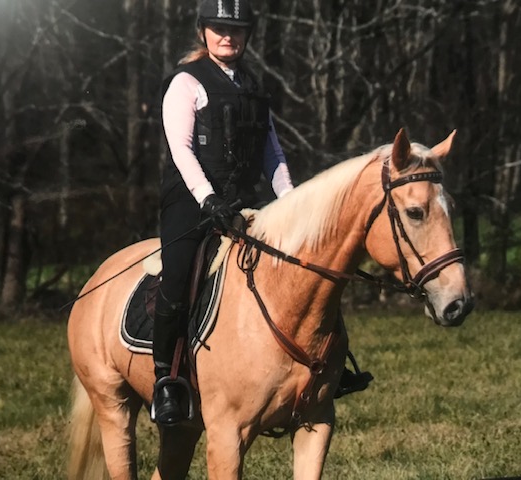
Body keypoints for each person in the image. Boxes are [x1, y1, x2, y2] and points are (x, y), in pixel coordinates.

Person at [152, 0, 371, 426]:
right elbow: (181, 149)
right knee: (178, 277)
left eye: (236, 28)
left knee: (308, 267)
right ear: (203, 31)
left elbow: (274, 153)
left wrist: (291, 203)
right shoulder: (185, 83)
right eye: (218, 27)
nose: (227, 35)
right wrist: (206, 197)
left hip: (243, 202)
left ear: (248, 34)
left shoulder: (253, 86)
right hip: (191, 202)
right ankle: (168, 379)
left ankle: (331, 364)